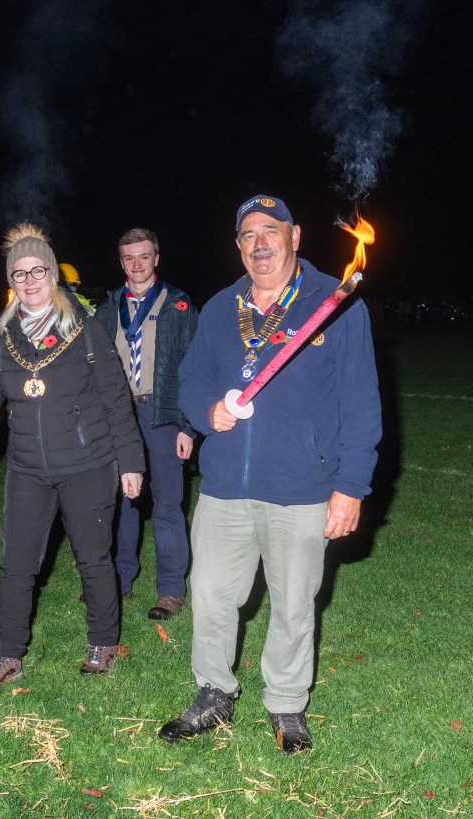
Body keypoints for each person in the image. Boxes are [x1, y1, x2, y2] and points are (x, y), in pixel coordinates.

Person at [160, 195, 381, 753]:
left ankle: (285, 702)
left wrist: (350, 486)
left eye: (270, 230)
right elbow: (190, 380)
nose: (259, 243)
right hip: (226, 485)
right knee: (210, 594)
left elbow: (361, 402)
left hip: (303, 488)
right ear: (238, 246)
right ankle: (214, 692)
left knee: (291, 603)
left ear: (295, 236)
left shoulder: (333, 303)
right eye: (248, 235)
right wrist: (207, 410)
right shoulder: (218, 308)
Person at [0, 222, 146, 689]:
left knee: (93, 559)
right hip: (28, 471)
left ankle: (102, 642)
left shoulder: (85, 331)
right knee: (17, 564)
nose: (30, 281)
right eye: (19, 275)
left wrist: (132, 462)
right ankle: (6, 654)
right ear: (11, 282)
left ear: (52, 274)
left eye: (38, 270)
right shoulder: (5, 342)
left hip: (88, 465)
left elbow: (116, 400)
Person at [93, 228, 198, 620]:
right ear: (121, 262)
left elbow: (195, 368)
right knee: (123, 501)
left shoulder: (179, 304)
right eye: (129, 258)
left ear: (157, 258)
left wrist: (188, 425)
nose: (137, 265)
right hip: (119, 415)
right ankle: (119, 581)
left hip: (163, 413)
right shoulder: (108, 308)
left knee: (168, 503)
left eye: (144, 256)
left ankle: (170, 590)